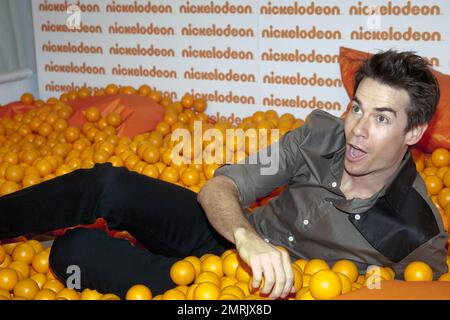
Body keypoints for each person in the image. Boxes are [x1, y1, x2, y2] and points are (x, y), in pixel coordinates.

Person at [0, 50, 448, 300]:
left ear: (414, 130)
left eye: (382, 118)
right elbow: (222, 186)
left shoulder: (415, 233)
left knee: (72, 252)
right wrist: (246, 238)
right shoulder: (318, 138)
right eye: (356, 108)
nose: (358, 129)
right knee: (109, 184)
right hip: (230, 236)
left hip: (249, 298)